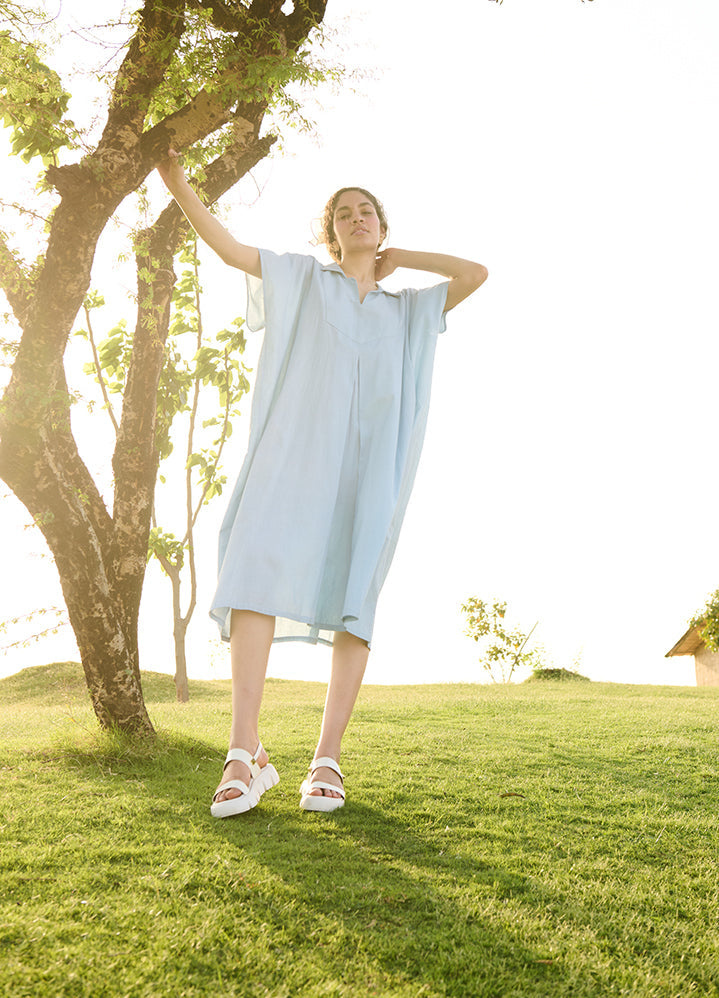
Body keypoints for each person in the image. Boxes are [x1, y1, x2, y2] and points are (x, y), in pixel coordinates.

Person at [157, 151, 488, 817]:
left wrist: (399, 256)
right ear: (328, 233)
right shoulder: (304, 280)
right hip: (292, 457)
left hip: (370, 473)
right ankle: (243, 751)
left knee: (353, 599)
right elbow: (228, 249)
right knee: (252, 569)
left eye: (366, 212)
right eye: (343, 214)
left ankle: (326, 759)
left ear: (380, 227)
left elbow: (475, 273)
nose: (356, 218)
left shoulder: (409, 311)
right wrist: (176, 183)